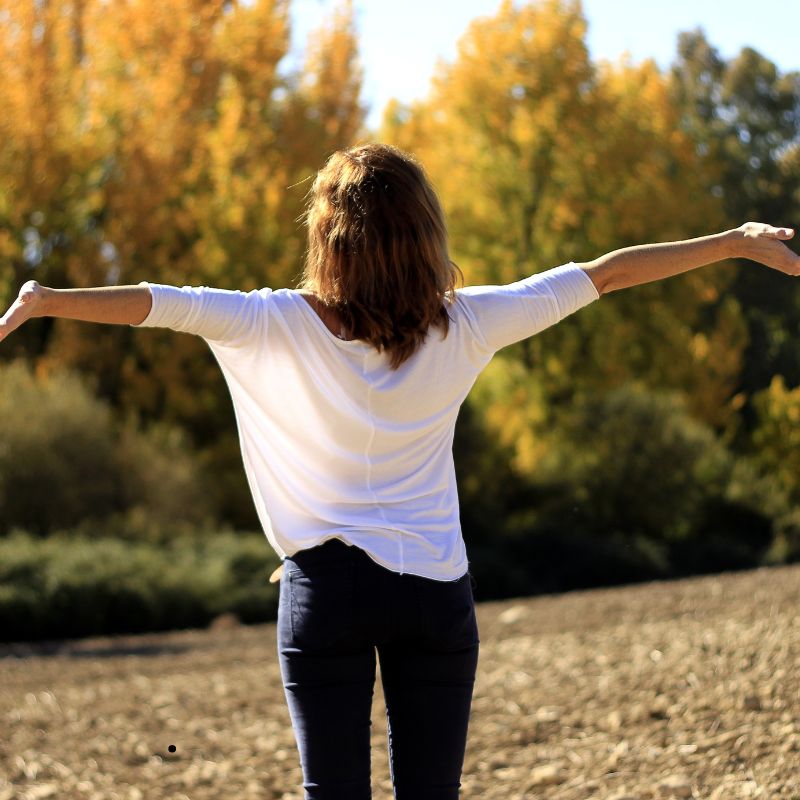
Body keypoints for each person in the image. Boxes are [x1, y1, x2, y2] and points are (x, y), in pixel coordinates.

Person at [0, 142, 797, 800]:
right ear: (426, 235)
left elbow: (154, 302)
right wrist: (731, 242)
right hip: (436, 594)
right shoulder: (472, 323)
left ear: (327, 239)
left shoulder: (270, 322)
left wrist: (44, 299)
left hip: (326, 594)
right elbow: (607, 272)